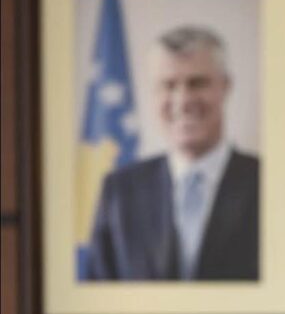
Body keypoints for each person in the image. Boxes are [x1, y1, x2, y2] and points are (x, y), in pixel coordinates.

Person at [83, 25, 259, 281]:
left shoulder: (270, 184)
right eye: (168, 85)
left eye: (197, 83)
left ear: (225, 87)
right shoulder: (119, 192)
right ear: (154, 94)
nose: (183, 100)